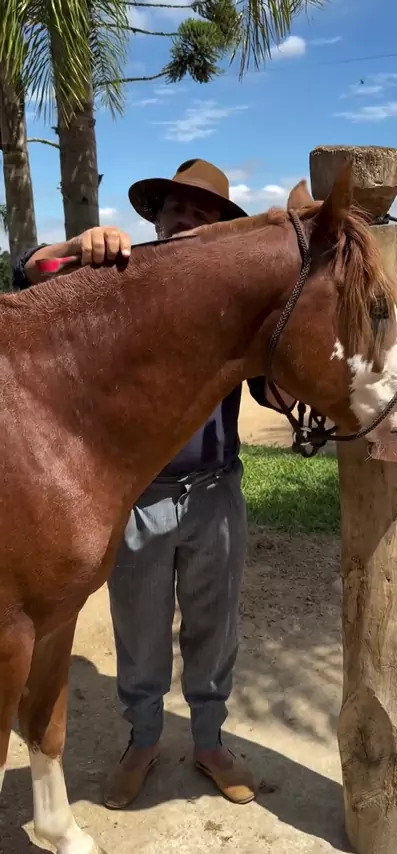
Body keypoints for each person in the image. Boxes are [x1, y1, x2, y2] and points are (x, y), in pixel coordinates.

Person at [13, 158, 294, 810]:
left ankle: (209, 743)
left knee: (214, 631)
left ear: (218, 229)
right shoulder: (120, 279)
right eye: (177, 210)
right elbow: (28, 272)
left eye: (202, 215)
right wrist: (77, 247)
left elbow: (274, 386)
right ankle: (141, 742)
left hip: (215, 491)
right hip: (139, 499)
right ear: (158, 220)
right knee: (138, 635)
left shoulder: (234, 307)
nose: (187, 222)